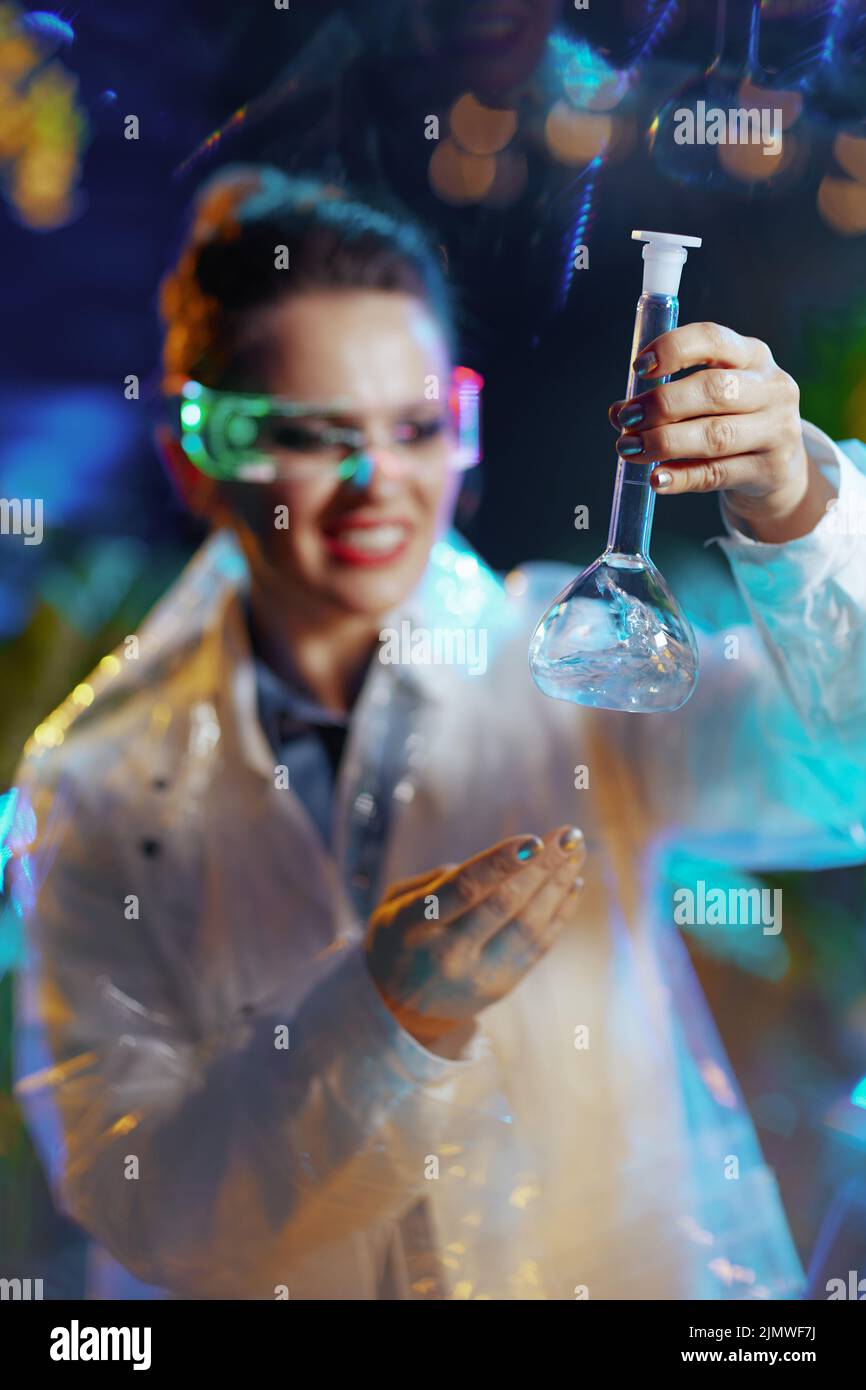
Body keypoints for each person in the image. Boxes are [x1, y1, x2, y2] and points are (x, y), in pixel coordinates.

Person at [11, 167, 866, 1300]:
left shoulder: (570, 671)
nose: (379, 487)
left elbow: (837, 771)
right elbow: (152, 1201)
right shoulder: (99, 784)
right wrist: (379, 1018)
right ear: (196, 453)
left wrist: (793, 506)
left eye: (417, 426)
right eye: (313, 434)